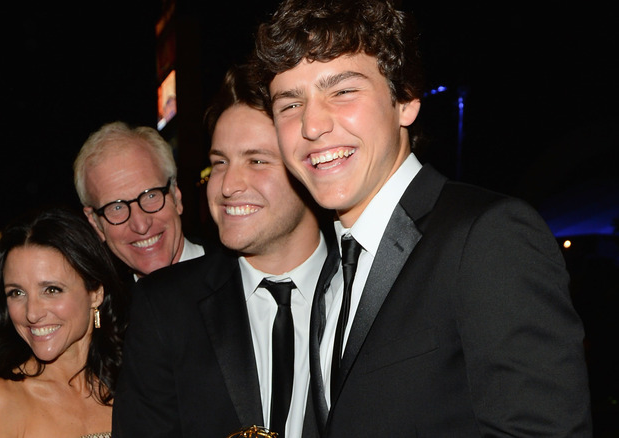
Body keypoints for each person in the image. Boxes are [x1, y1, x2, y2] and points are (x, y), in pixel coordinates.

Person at [253, 0, 593, 436]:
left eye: (342, 91)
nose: (312, 125)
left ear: (406, 101)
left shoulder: (489, 236)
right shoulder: (335, 268)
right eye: (290, 104)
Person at [113, 64, 336, 438]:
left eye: (257, 160)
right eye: (219, 163)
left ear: (308, 166)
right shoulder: (165, 307)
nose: (228, 185)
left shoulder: (368, 288)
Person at [0, 207, 126, 438]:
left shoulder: (133, 385)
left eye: (51, 290)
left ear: (96, 293)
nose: (32, 313)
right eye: (17, 293)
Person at [74, 121, 207, 281]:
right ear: (95, 223)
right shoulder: (109, 304)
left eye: (151, 196)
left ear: (176, 195)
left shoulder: (238, 276)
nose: (141, 226)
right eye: (117, 207)